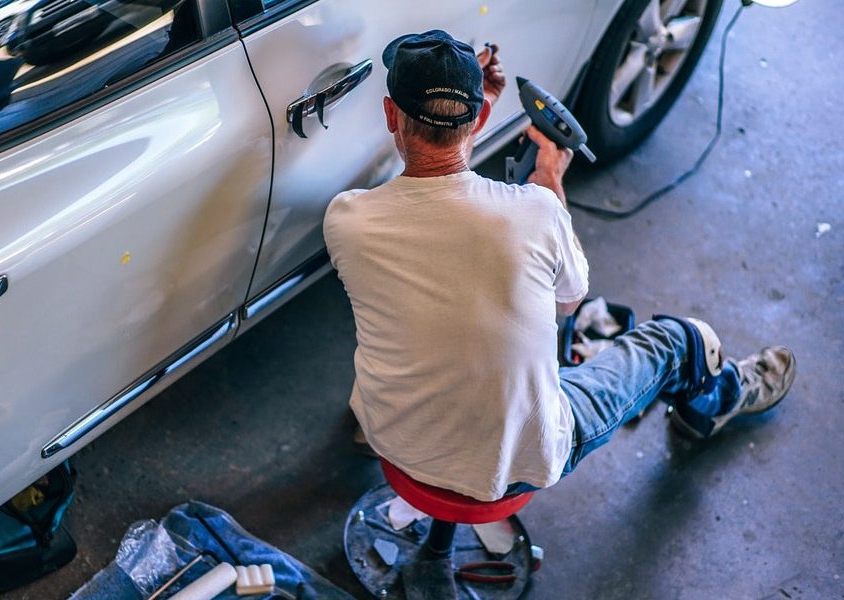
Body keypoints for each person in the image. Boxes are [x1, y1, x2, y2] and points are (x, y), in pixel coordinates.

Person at [322, 30, 796, 502]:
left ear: (390, 114)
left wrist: (460, 124)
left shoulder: (347, 220)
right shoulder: (536, 211)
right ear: (481, 118)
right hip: (510, 465)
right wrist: (549, 177)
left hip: (394, 436)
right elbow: (568, 303)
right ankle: (719, 400)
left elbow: (428, 198)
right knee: (677, 340)